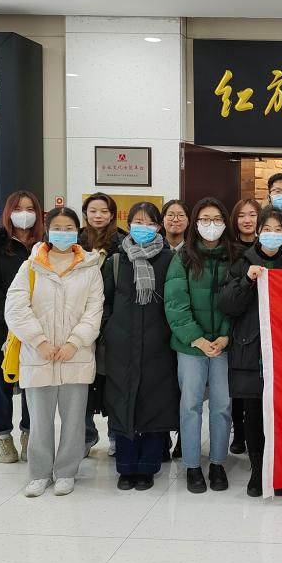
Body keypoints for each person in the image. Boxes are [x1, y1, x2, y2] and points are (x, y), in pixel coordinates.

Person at [4, 207, 104, 498]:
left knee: (74, 421)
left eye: (69, 227)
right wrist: (39, 341)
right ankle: (39, 473)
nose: (63, 233)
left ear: (77, 231)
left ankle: (66, 472)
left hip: (76, 355)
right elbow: (16, 308)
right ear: (48, 231)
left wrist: (75, 342)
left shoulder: (90, 267)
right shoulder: (31, 266)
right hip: (39, 354)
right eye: (58, 228)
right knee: (39, 420)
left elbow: (94, 311)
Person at [220, 207, 282, 497]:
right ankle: (258, 470)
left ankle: (278, 469)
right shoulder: (242, 262)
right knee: (253, 413)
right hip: (250, 349)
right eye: (267, 229)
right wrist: (247, 280)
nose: (272, 234)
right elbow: (227, 304)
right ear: (257, 232)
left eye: (278, 230)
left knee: (280, 414)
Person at [102, 202, 178, 491]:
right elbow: (105, 302)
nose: (143, 227)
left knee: (154, 404)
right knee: (123, 404)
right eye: (137, 222)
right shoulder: (116, 261)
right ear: (129, 224)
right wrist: (111, 330)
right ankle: (125, 467)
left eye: (149, 223)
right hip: (121, 346)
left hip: (159, 345)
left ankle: (147, 467)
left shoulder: (170, 259)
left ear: (158, 227)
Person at [164, 197, 238, 494]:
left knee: (222, 405)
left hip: (223, 345)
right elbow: (175, 303)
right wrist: (196, 338)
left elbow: (239, 301)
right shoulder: (183, 257)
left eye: (217, 219)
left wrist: (226, 335)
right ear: (195, 224)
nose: (211, 225)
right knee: (190, 405)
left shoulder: (235, 256)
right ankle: (192, 465)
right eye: (205, 219)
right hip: (191, 346)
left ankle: (218, 462)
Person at [0, 190, 43, 463]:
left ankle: (29, 434)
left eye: (30, 209)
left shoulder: (45, 245)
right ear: (8, 213)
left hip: (36, 330)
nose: (24, 214)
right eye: (18, 209)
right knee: (0, 387)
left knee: (33, 387)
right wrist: (12, 317)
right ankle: (2, 436)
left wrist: (30, 322)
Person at [79, 192, 126, 457]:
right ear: (85, 214)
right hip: (79, 322)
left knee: (112, 382)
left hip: (110, 321)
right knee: (82, 383)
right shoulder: (74, 242)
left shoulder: (123, 243)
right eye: (93, 211)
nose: (98, 216)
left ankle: (115, 435)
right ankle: (86, 435)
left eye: (104, 211)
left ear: (112, 214)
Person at [226, 198, 261, 454]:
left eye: (252, 215)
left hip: (258, 324)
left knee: (252, 387)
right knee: (236, 387)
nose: (247, 220)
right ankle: (238, 433)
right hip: (234, 321)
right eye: (242, 215)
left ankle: (253, 436)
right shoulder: (229, 250)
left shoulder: (268, 246)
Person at [160, 199, 189, 459]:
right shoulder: (154, 249)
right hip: (158, 328)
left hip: (184, 328)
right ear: (162, 220)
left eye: (181, 215)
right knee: (161, 386)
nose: (175, 220)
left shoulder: (193, 252)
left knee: (184, 389)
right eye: (171, 215)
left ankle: (183, 437)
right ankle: (161, 436)